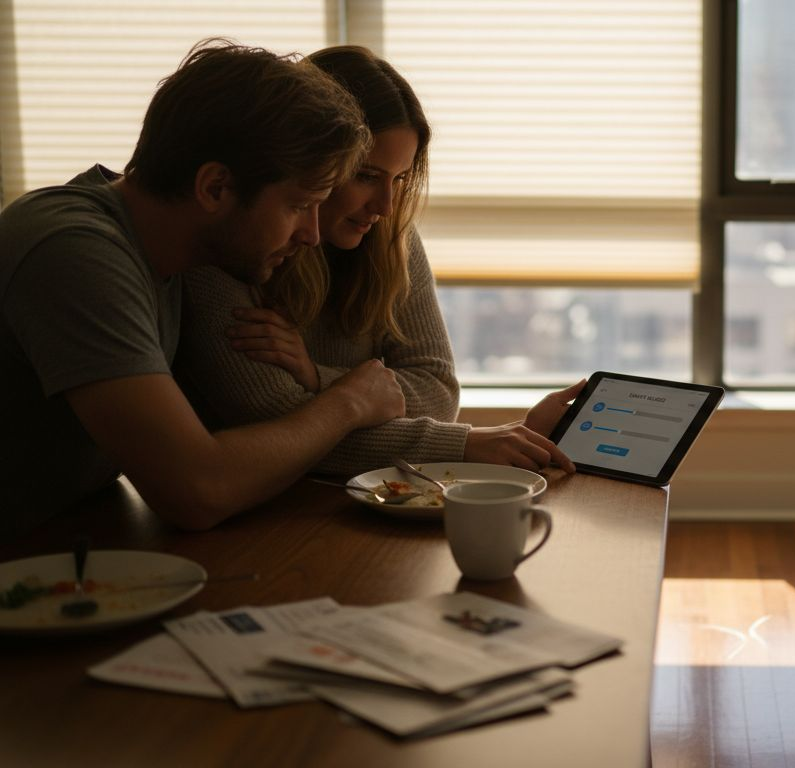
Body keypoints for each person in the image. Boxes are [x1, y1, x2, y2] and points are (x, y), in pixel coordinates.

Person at [0, 41, 407, 536]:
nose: (311, 235)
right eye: (299, 205)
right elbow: (197, 489)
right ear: (215, 188)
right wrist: (349, 403)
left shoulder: (163, 255)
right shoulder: (73, 250)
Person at [175, 46, 580, 476]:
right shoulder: (235, 243)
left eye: (400, 178)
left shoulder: (391, 240)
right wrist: (461, 445)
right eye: (366, 176)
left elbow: (439, 394)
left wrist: (318, 378)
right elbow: (274, 425)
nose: (386, 206)